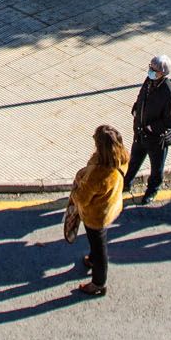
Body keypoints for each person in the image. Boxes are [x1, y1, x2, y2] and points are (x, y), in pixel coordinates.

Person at [67, 124, 128, 296]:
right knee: (97, 242)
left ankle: (98, 283)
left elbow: (82, 198)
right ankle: (93, 259)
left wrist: (76, 188)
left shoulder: (99, 175)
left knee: (99, 245)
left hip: (95, 215)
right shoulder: (122, 158)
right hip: (110, 207)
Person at [123, 55, 171, 205]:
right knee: (134, 160)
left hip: (156, 138)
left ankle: (152, 190)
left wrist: (152, 127)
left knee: (156, 168)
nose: (150, 71)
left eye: (154, 69)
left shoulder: (168, 93)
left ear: (163, 73)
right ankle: (126, 183)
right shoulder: (150, 81)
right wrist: (136, 109)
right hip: (141, 133)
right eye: (150, 68)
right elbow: (142, 97)